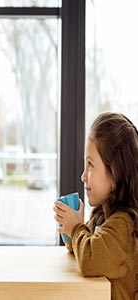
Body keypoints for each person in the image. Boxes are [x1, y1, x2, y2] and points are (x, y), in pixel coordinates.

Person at [54, 112, 138, 299]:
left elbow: (91, 260)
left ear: (115, 173)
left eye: (90, 165)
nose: (83, 176)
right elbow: (84, 249)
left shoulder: (124, 226)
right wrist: (71, 231)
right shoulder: (102, 216)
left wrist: (76, 228)